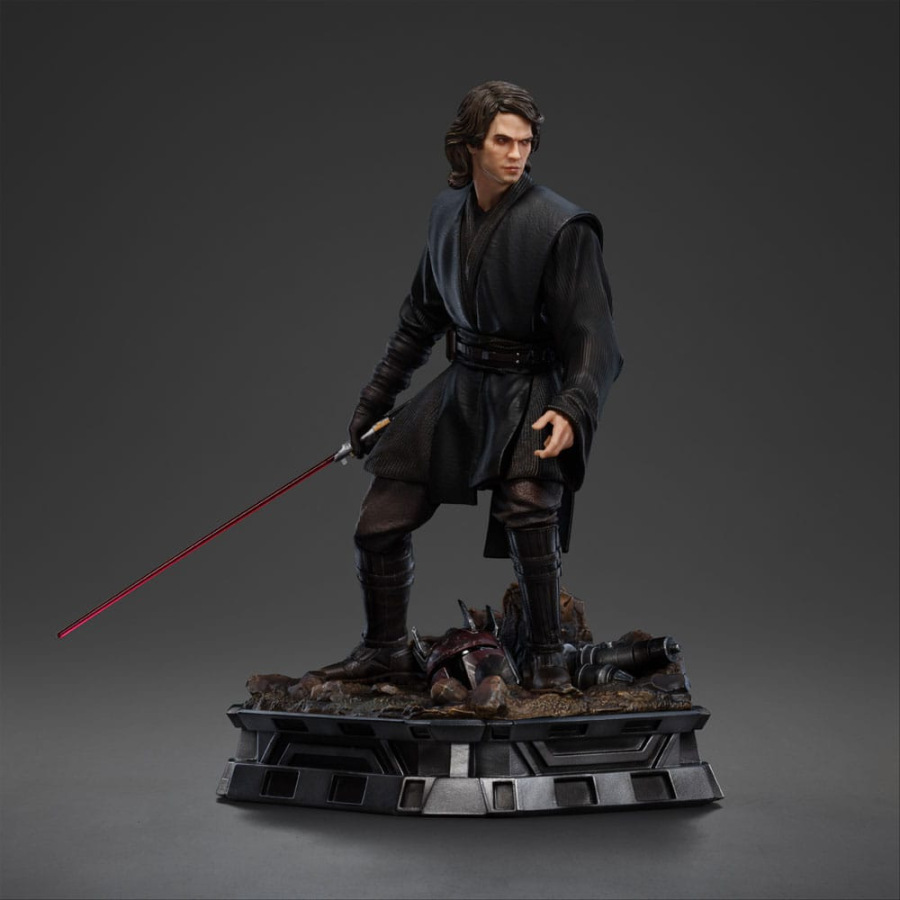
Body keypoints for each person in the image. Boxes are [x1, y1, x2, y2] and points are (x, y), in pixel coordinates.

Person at [314, 81, 623, 692]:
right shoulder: (446, 215)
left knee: (528, 510)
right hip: (463, 388)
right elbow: (420, 319)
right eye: (503, 141)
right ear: (470, 146)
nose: (517, 154)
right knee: (379, 519)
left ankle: (547, 658)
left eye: (526, 142)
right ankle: (385, 650)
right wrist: (374, 402)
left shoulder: (561, 226)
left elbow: (595, 340)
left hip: (532, 389)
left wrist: (573, 406)